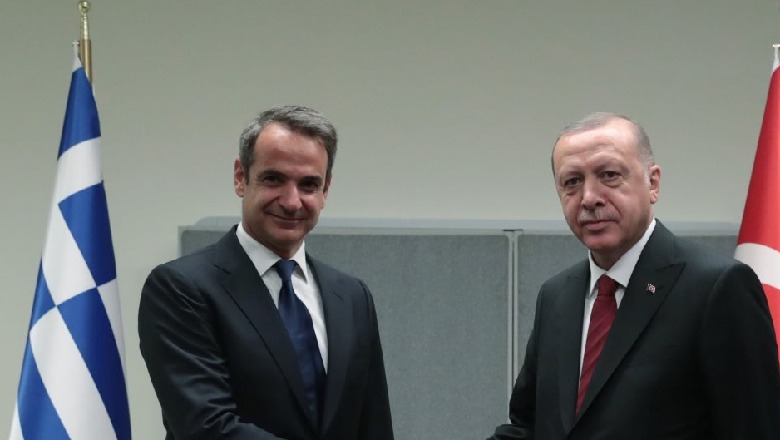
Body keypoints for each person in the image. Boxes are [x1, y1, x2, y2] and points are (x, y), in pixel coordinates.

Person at [488, 112, 780, 440]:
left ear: (653, 183)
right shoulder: (556, 295)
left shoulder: (718, 287)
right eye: (572, 182)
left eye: (609, 175)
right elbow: (528, 426)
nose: (589, 197)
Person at [138, 105, 394, 440]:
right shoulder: (182, 288)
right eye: (274, 179)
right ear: (240, 178)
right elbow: (206, 427)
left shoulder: (352, 297)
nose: (291, 201)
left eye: (308, 184)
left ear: (326, 191)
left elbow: (373, 426)